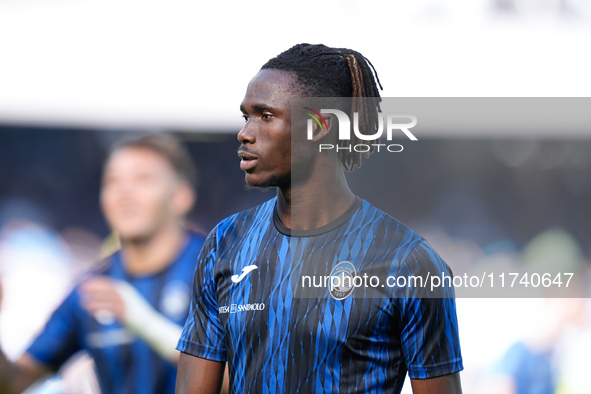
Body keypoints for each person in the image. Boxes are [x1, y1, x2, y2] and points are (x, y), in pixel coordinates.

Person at [176, 44, 464, 393]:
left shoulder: (410, 262)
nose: (245, 133)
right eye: (246, 116)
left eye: (266, 116)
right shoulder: (225, 242)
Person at [0, 133, 205, 393]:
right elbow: (13, 382)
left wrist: (149, 326)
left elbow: (246, 377)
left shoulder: (220, 270)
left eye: (143, 179)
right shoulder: (90, 291)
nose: (124, 192)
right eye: (112, 181)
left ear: (181, 196)